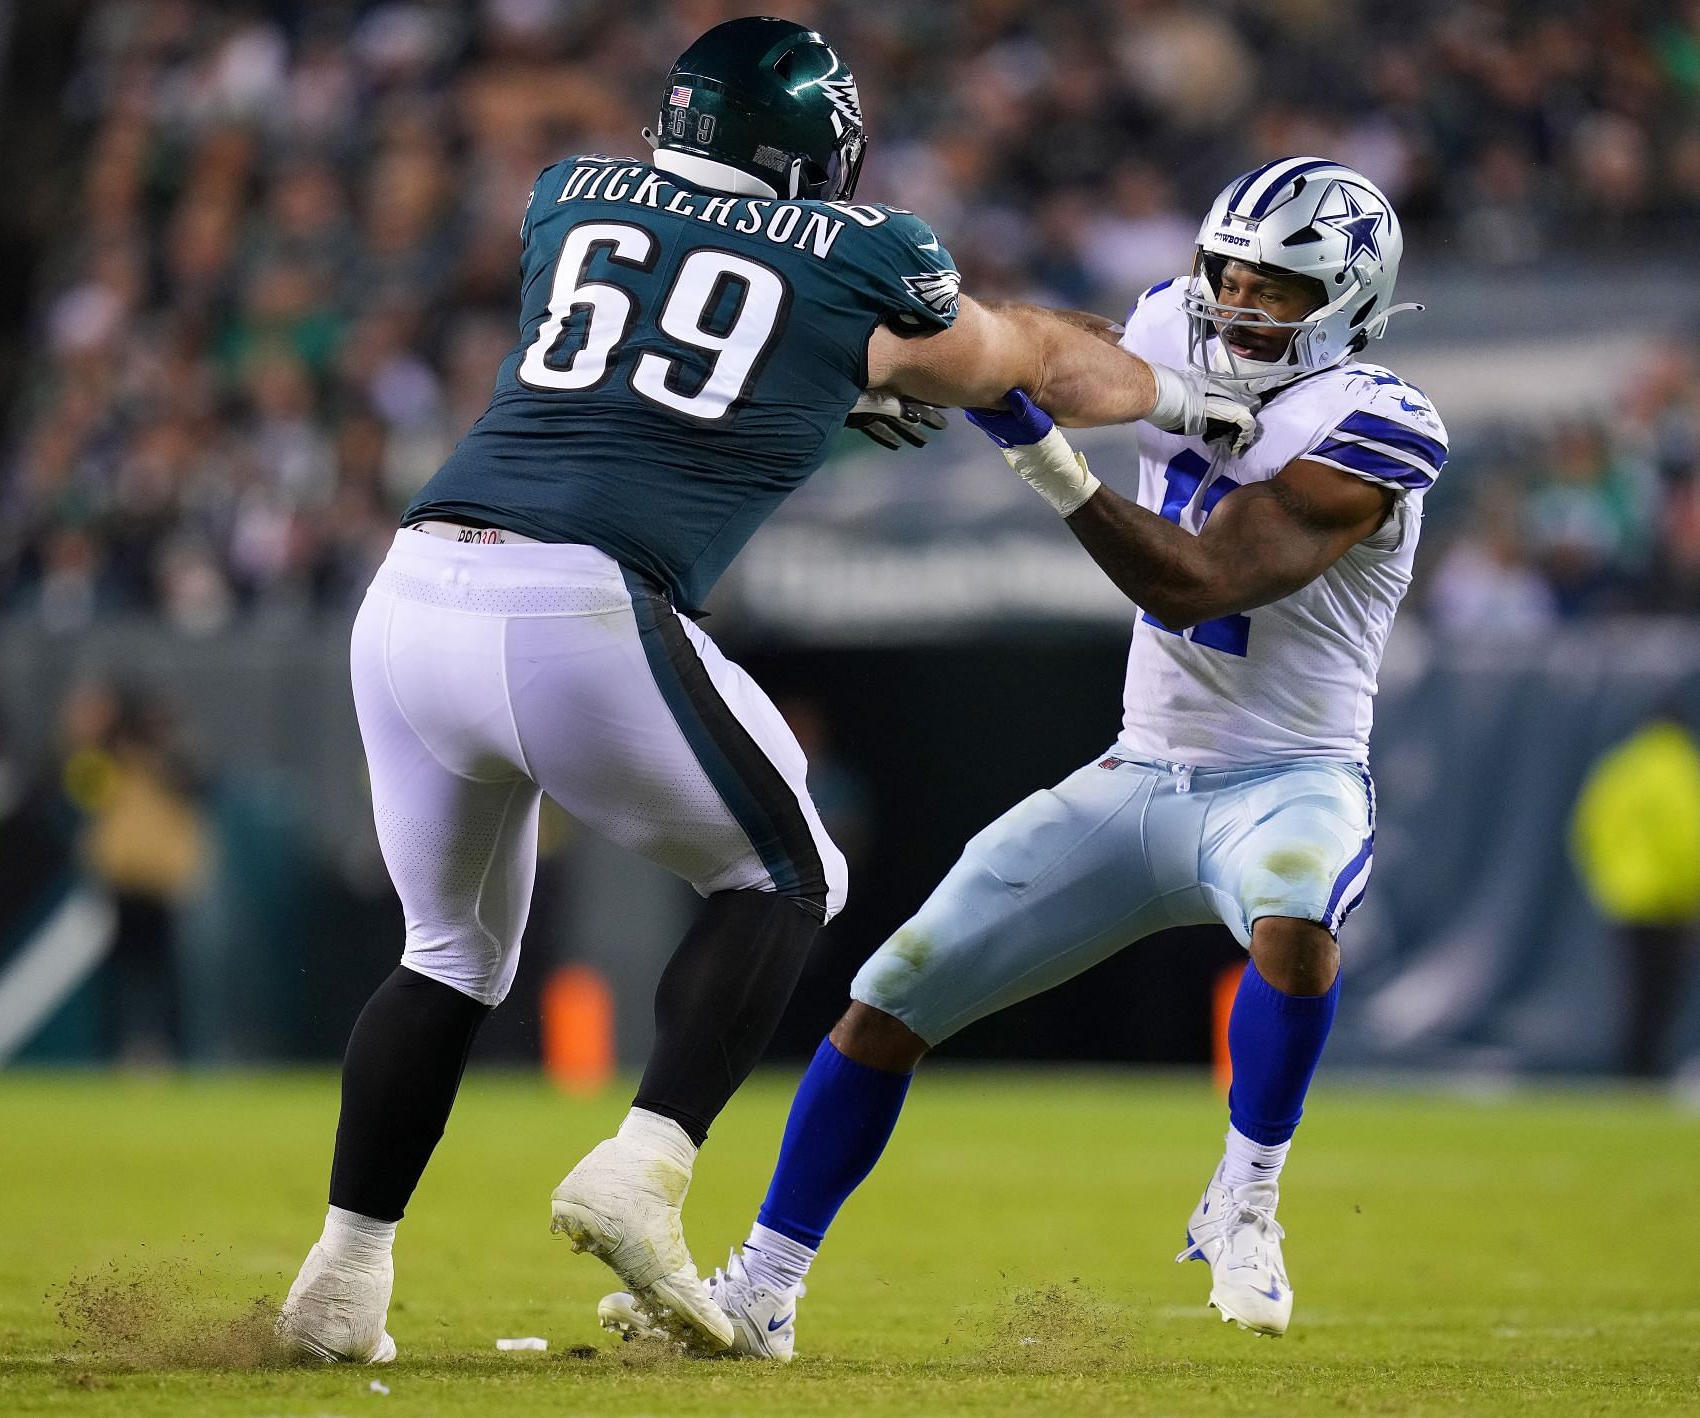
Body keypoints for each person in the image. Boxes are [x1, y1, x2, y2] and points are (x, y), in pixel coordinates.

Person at [276, 16, 1248, 1364]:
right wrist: (1185, 393)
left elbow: (655, 357)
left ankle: (341, 1278)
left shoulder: (571, 196)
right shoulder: (867, 255)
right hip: (576, 601)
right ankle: (647, 1160)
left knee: (445, 957)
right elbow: (1016, 357)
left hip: (413, 591)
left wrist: (817, 387)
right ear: (815, 147)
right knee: (792, 877)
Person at [604, 157, 1442, 1357]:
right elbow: (1041, 350)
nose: (1244, 306)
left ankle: (1246, 1196)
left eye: (1281, 290)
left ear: (1352, 304)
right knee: (890, 995)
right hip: (1139, 772)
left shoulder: (1379, 425)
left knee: (1296, 918)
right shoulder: (1170, 323)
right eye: (1232, 275)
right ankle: (762, 1285)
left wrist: (1043, 457)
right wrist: (900, 357)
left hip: (1286, 775)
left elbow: (1193, 576)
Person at [1568, 707, 1700, 1078]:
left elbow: (1589, 826)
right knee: (1662, 994)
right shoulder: (1684, 768)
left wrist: (1609, 879)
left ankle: (1631, 1070)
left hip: (1625, 899)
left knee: (1633, 991)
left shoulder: (1623, 766)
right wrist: (1696, 897)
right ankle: (1647, 1073)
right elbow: (1692, 839)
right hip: (1670, 903)